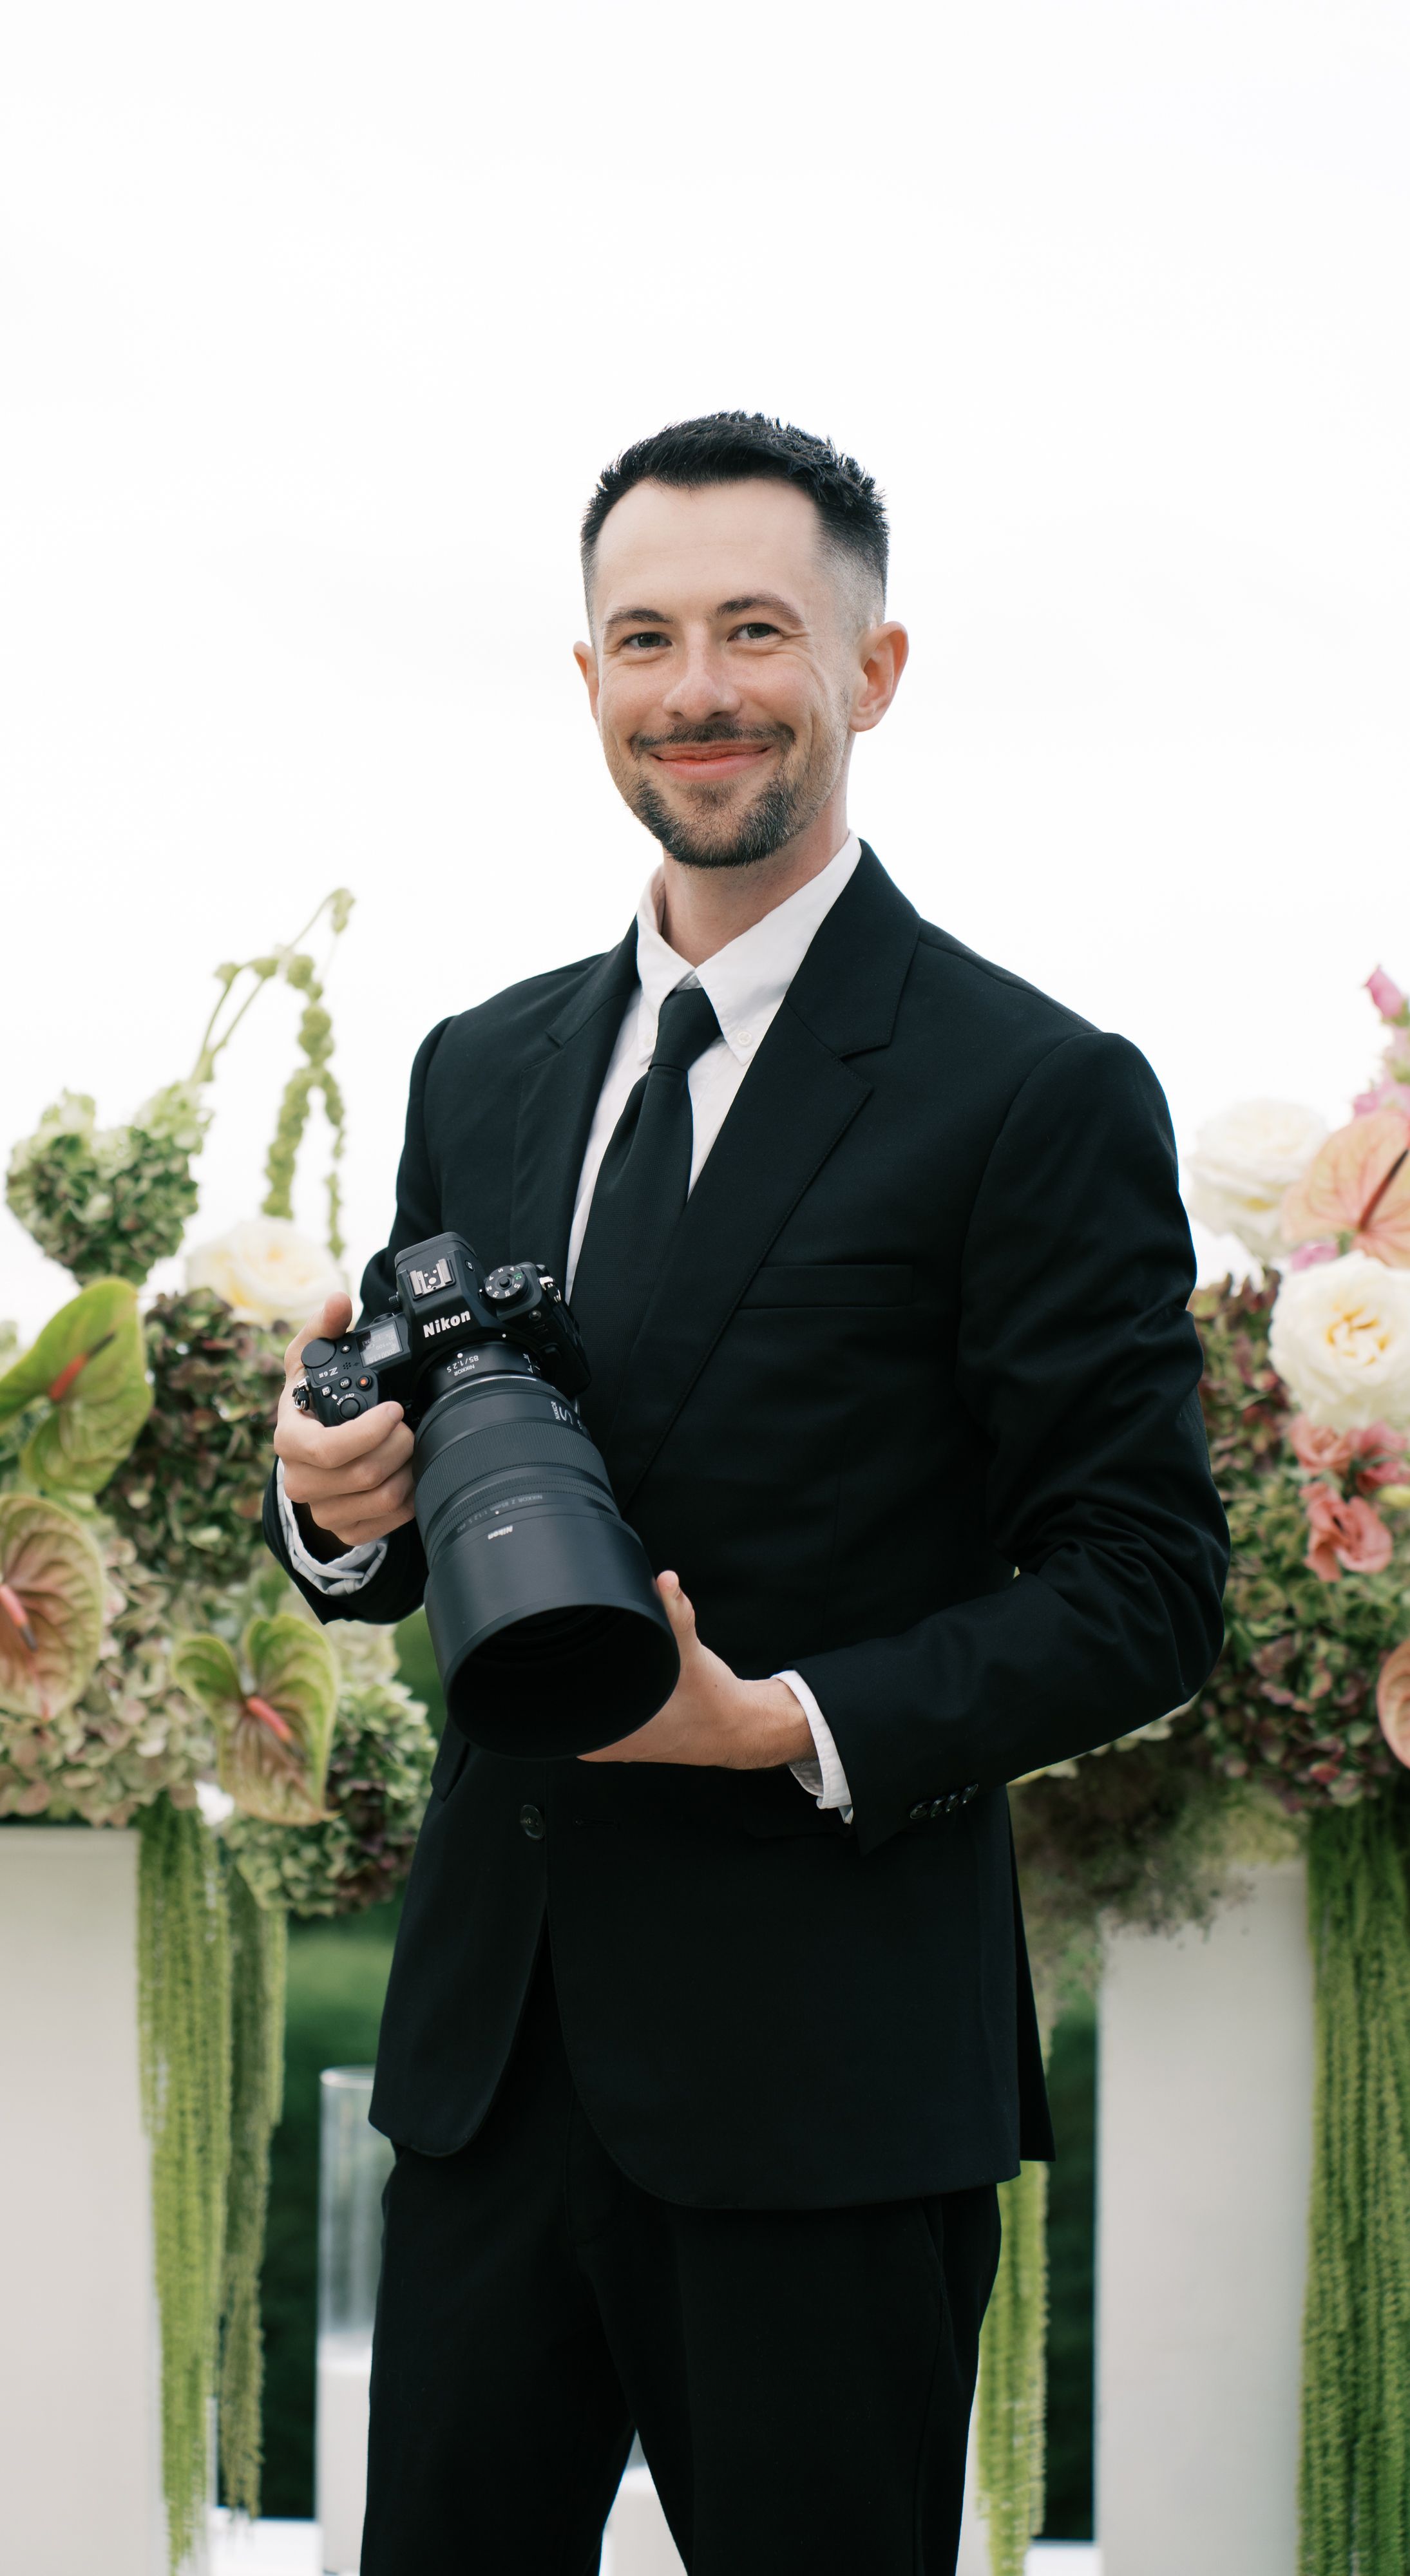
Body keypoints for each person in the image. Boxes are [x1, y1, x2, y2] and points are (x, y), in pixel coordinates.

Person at [265, 412, 1228, 2575]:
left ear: (872, 672)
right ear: (590, 678)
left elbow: (1149, 1584)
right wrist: (334, 1504)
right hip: (487, 2074)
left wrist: (782, 1723)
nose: (695, 685)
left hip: (829, 2102)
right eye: (644, 636)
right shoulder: (476, 1064)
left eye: (755, 630)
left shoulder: (1034, 1090)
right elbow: (438, 1530)